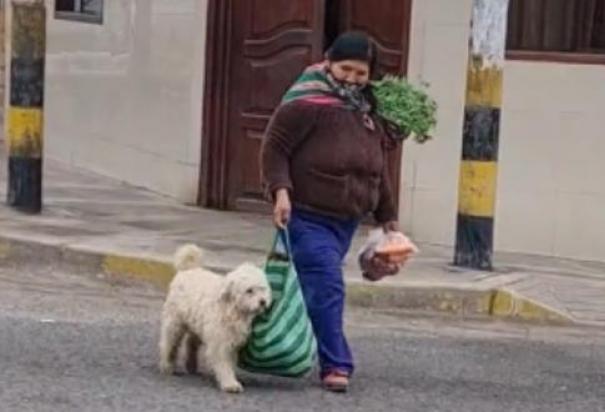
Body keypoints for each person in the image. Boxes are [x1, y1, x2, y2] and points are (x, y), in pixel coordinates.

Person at [260, 32, 405, 392]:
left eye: (361, 73)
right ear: (328, 62)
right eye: (345, 69)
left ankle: (270, 343)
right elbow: (274, 148)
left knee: (316, 287)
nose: (352, 78)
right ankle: (336, 364)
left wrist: (388, 216)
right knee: (327, 283)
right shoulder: (306, 102)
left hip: (347, 219)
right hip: (307, 214)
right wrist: (280, 192)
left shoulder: (367, 110)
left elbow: (378, 168)